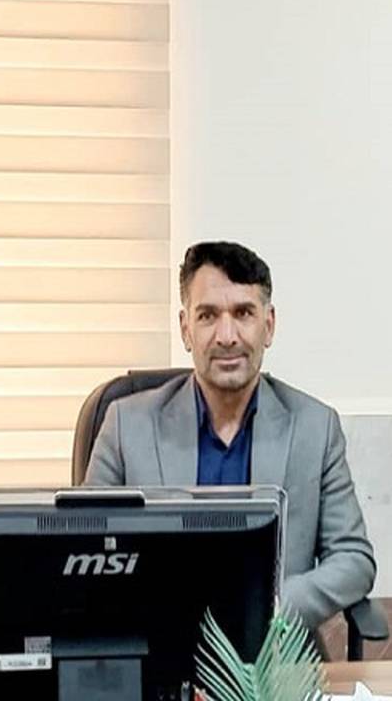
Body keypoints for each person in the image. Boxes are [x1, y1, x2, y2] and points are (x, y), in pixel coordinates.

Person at [84, 241, 376, 631]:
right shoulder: (126, 425)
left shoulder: (314, 427)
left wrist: (272, 606)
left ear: (268, 325)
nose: (227, 336)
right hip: (157, 643)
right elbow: (83, 549)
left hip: (273, 647)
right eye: (208, 316)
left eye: (243, 313)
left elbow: (353, 559)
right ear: (185, 329)